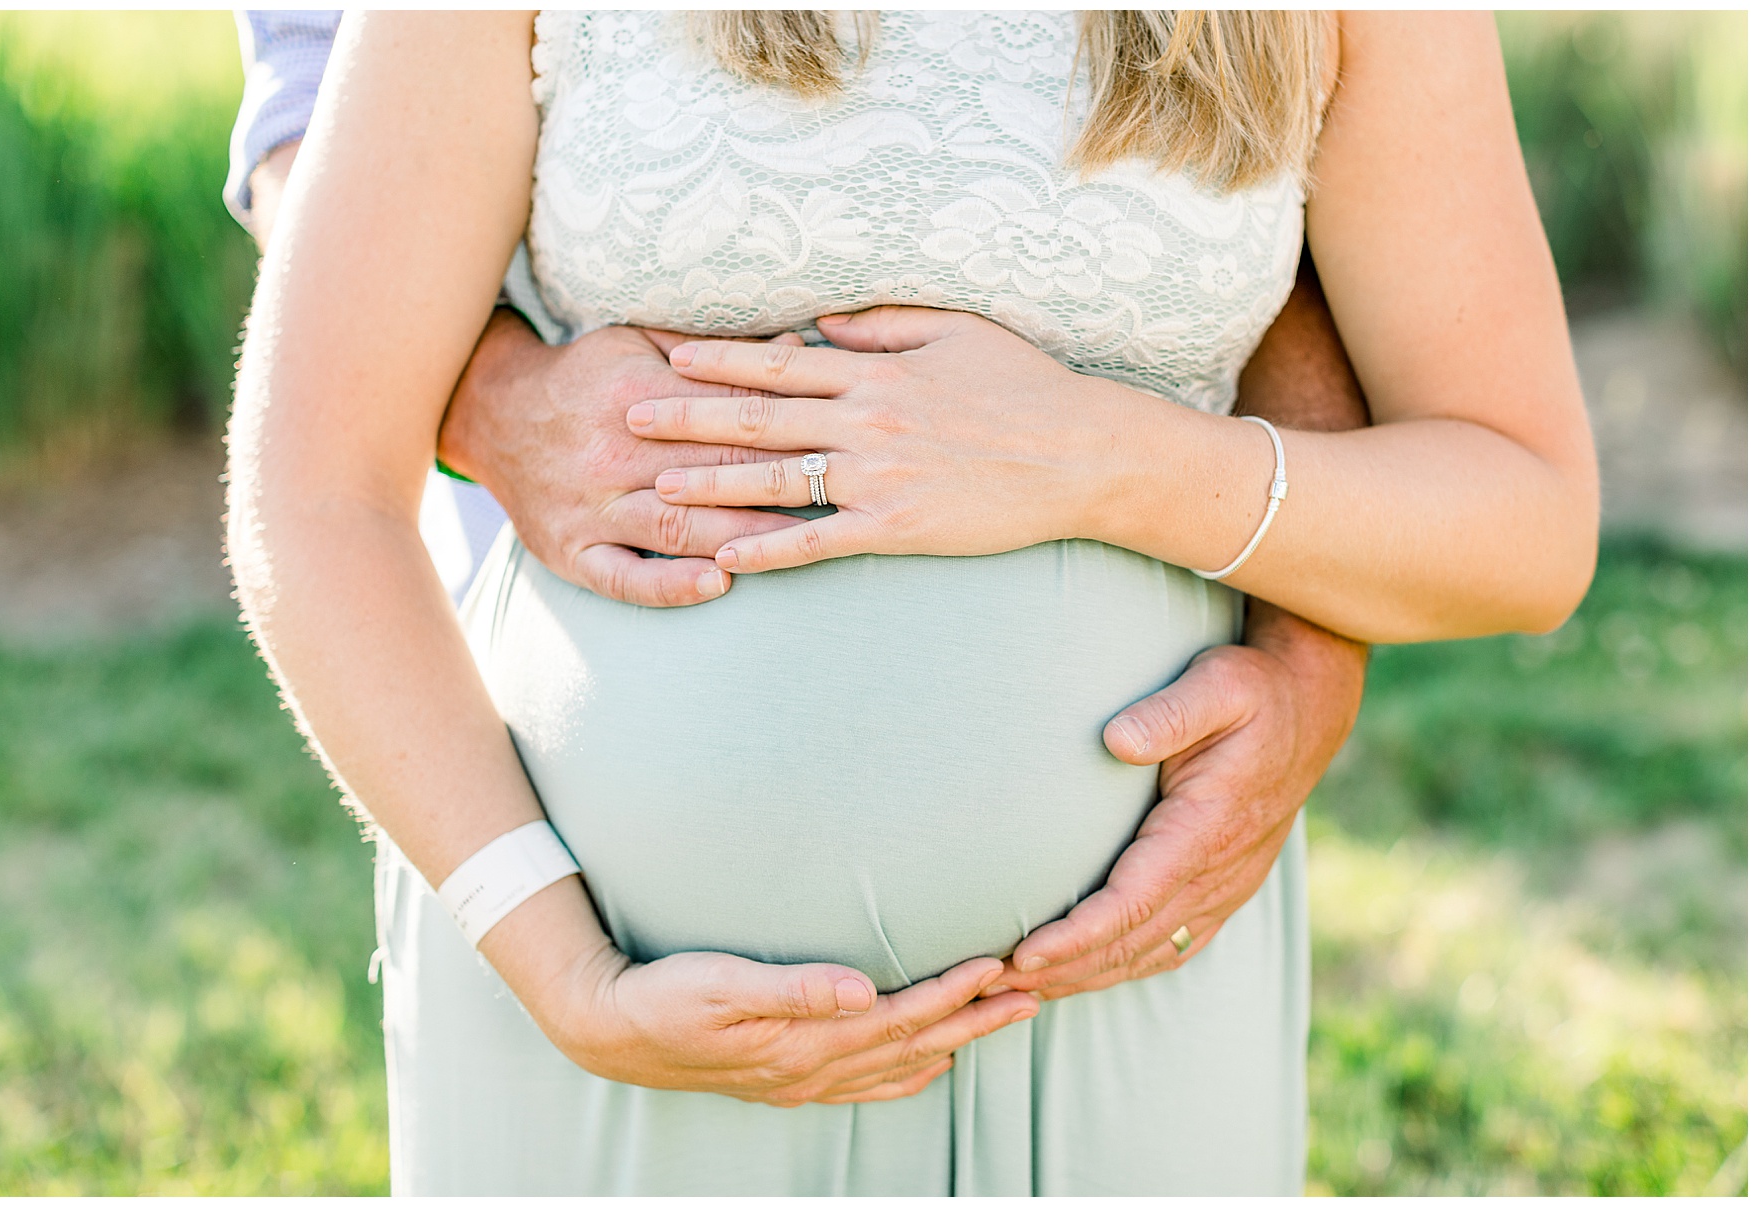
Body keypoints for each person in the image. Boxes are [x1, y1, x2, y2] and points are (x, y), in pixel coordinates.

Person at [225, 10, 1595, 1195]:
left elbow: (1525, 518)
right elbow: (317, 482)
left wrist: (1115, 462)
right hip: (606, 1001)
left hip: (1121, 1011)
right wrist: (558, 965)